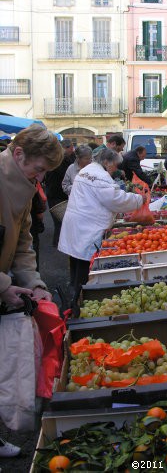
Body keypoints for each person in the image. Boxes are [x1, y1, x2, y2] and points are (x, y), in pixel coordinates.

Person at [0, 124, 63, 457]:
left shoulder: (23, 185)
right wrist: (5, 286)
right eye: (39, 170)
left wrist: (33, 285)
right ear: (19, 153)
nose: (40, 180)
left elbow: (23, 245)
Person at [58, 148, 146, 312]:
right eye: (114, 165)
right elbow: (115, 199)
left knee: (76, 264)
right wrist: (139, 199)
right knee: (84, 266)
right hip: (87, 226)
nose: (115, 168)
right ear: (106, 162)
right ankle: (77, 305)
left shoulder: (87, 171)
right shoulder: (100, 176)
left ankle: (73, 301)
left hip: (78, 223)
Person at [44, 138, 75, 246]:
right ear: (67, 148)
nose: (73, 150)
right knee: (60, 221)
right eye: (71, 147)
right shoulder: (60, 160)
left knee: (61, 221)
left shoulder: (59, 159)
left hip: (56, 193)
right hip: (56, 194)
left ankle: (60, 243)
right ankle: (59, 243)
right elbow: (65, 176)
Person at [30, 181, 47, 271]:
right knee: (32, 246)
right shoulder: (30, 180)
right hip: (31, 219)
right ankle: (34, 274)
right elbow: (39, 200)